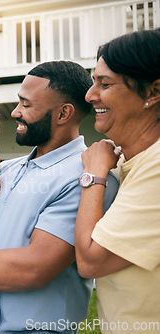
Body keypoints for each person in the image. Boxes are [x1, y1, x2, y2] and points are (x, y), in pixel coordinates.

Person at [0, 61, 120, 333]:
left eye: (26, 105)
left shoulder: (87, 178)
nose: (15, 112)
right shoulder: (6, 169)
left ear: (63, 113)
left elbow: (33, 269)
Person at [75, 28, 160, 334]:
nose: (89, 95)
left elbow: (90, 261)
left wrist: (94, 175)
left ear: (152, 92)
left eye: (105, 83)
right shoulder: (128, 160)